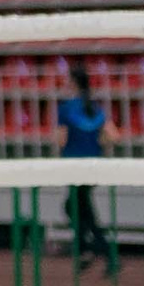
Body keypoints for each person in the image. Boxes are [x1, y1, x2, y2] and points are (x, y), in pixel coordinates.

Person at [56, 61, 118, 273]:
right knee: (81, 209)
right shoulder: (96, 108)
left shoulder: (65, 109)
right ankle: (88, 251)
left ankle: (99, 252)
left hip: (74, 165)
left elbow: (61, 140)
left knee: (77, 209)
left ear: (73, 83)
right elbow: (112, 135)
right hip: (93, 165)